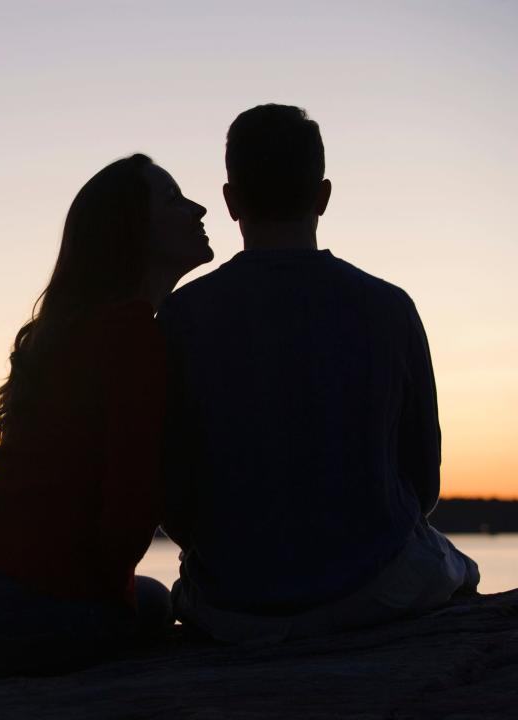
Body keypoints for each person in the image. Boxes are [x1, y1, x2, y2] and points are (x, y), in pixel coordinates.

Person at [159, 104, 480, 644]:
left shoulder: (180, 316)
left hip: (233, 604)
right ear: (324, 196)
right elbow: (423, 483)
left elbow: (173, 495)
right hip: (375, 592)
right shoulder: (389, 307)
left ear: (231, 201)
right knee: (458, 567)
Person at [0, 153, 212, 674]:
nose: (199, 208)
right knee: (159, 606)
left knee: (148, 600)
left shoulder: (77, 329)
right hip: (9, 602)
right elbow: (129, 510)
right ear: (132, 228)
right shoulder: (134, 335)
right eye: (173, 198)